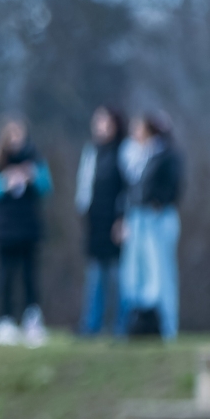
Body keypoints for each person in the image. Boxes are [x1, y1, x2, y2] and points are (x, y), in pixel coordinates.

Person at [0, 117, 53, 347]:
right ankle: (5, 320)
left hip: (28, 226)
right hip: (4, 228)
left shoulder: (35, 159)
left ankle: (32, 320)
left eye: (19, 135)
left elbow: (46, 187)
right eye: (11, 135)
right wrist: (5, 183)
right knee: (5, 275)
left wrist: (32, 177)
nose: (15, 140)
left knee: (30, 275)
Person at [119, 113, 182, 340]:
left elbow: (174, 186)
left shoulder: (166, 154)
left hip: (158, 219)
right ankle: (141, 326)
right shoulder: (136, 156)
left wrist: (159, 203)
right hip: (138, 219)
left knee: (161, 274)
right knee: (136, 276)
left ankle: (167, 327)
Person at [76, 106, 127, 336]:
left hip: (115, 222)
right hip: (95, 222)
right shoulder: (92, 152)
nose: (99, 127)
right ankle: (91, 324)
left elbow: (127, 188)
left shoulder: (124, 152)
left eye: (104, 122)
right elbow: (84, 188)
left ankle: (121, 326)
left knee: (118, 276)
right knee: (95, 274)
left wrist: (122, 218)